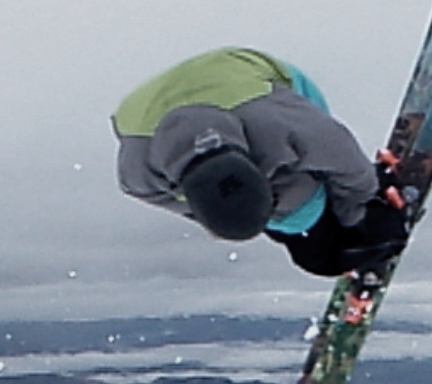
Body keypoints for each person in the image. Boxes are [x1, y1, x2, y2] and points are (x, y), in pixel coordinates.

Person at [112, 47, 408, 277]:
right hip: (194, 98)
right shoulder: (138, 176)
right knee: (295, 229)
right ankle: (329, 239)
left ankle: (371, 226)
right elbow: (207, 209)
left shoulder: (280, 123)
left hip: (260, 82)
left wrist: (360, 215)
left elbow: (344, 158)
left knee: (318, 242)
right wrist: (249, 216)